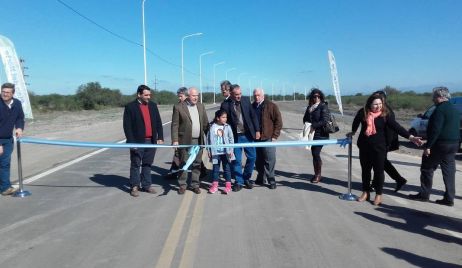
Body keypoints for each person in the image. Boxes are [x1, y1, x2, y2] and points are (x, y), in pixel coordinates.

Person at [348, 93, 421, 206]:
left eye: (380, 104)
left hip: (379, 148)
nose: (378, 107)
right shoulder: (363, 112)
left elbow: (397, 127)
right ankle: (365, 192)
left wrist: (411, 137)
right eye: (375, 104)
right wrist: (353, 131)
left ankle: (378, 194)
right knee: (365, 171)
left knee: (379, 171)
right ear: (369, 104)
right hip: (364, 146)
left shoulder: (385, 114)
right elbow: (356, 122)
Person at [409, 87, 460, 206]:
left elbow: (435, 130)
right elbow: (447, 128)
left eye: (434, 97)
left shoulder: (439, 110)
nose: (433, 99)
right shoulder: (454, 109)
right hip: (453, 144)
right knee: (449, 171)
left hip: (440, 144)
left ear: (441, 97)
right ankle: (449, 198)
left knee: (427, 167)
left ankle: (424, 195)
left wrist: (428, 146)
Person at [123, 85, 164, 197]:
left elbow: (158, 123)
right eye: (146, 95)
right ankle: (135, 186)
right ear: (139, 95)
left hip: (151, 140)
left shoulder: (153, 106)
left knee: (147, 164)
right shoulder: (130, 107)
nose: (148, 97)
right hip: (137, 141)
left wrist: (160, 137)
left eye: (149, 95)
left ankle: (146, 185)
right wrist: (132, 142)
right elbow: (127, 127)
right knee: (136, 164)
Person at [220, 84, 260, 191]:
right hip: (235, 137)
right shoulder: (225, 105)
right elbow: (223, 120)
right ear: (231, 94)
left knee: (252, 157)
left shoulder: (246, 100)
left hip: (247, 135)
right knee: (237, 160)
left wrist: (257, 130)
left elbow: (253, 116)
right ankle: (239, 181)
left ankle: (246, 178)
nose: (239, 96)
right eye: (236, 94)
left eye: (240, 94)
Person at [172, 87, 209, 194]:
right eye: (193, 95)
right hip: (185, 140)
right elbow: (175, 125)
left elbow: (206, 124)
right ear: (188, 96)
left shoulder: (201, 106)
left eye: (197, 95)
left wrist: (211, 137)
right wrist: (175, 140)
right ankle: (182, 185)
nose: (196, 97)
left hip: (198, 140)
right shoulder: (179, 107)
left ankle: (195, 184)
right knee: (184, 163)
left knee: (197, 163)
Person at [371, 90, 408, 192]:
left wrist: (387, 144)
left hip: (385, 142)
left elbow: (392, 129)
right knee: (381, 163)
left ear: (382, 99)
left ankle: (378, 184)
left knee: (380, 163)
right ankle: (398, 180)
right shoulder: (380, 110)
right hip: (381, 142)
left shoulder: (387, 111)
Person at [252, 88, 283, 189]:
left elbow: (278, 121)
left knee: (270, 159)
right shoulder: (252, 106)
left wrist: (275, 136)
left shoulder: (271, 106)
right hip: (256, 139)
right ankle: (261, 176)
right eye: (255, 95)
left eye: (258, 95)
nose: (256, 97)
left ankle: (271, 179)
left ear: (263, 95)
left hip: (268, 138)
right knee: (258, 160)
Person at [0, 83, 24, 196]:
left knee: (5, 163)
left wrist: (19, 128)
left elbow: (20, 117)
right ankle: (5, 187)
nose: (5, 94)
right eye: (3, 91)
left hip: (8, 139)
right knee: (3, 163)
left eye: (8, 92)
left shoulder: (17, 103)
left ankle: (5, 187)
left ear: (13, 93)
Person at [302, 88, 329, 183]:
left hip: (321, 134)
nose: (316, 98)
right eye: (314, 96)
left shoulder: (323, 106)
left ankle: (318, 175)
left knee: (316, 153)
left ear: (321, 97)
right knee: (314, 154)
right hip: (311, 134)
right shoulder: (309, 107)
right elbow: (305, 118)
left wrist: (314, 125)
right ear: (312, 97)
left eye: (318, 96)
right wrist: (307, 124)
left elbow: (324, 120)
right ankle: (317, 173)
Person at [206, 109, 235, 194]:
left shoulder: (227, 127)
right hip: (215, 153)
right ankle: (215, 186)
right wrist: (208, 150)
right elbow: (208, 140)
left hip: (226, 152)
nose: (225, 119)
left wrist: (231, 150)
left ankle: (228, 186)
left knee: (227, 169)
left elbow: (231, 139)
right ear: (218, 118)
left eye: (226, 117)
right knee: (215, 169)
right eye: (223, 117)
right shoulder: (212, 127)